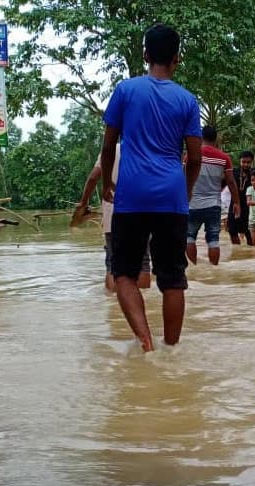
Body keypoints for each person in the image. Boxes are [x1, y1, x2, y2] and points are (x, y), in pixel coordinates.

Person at [101, 23, 202, 351]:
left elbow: (108, 145)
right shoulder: (188, 100)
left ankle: (146, 342)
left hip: (131, 196)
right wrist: (184, 194)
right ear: (176, 59)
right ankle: (172, 349)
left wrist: (106, 183)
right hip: (171, 197)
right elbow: (195, 158)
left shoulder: (125, 91)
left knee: (124, 274)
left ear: (145, 54)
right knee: (173, 279)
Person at [75, 143, 151, 291]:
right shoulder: (146, 148)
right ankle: (146, 305)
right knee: (143, 262)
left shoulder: (111, 150)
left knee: (112, 263)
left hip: (114, 214)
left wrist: (84, 202)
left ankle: (113, 306)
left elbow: (92, 178)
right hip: (142, 212)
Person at [187, 125, 239, 266]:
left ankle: (194, 269)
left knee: (189, 238)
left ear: (201, 137)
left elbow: (182, 176)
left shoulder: (191, 155)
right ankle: (214, 270)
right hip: (214, 205)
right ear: (216, 139)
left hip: (192, 204)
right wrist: (237, 203)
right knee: (213, 239)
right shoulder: (224, 158)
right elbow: (231, 181)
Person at [229, 150, 254, 246]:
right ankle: (237, 253)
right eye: (243, 162)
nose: (246, 164)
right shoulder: (233, 172)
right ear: (240, 161)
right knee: (232, 231)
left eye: (248, 162)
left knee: (249, 233)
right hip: (235, 205)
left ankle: (251, 254)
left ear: (251, 162)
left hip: (249, 208)